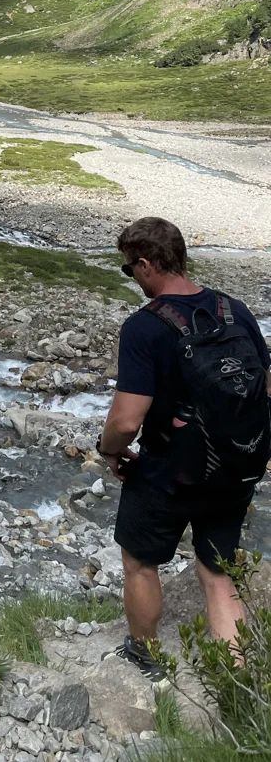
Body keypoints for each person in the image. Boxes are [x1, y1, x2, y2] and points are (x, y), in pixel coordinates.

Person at [98, 216, 271, 679]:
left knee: (139, 561)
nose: (132, 278)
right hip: (236, 465)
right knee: (218, 572)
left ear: (146, 264)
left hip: (169, 471)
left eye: (129, 269)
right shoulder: (234, 310)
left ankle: (144, 653)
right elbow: (265, 384)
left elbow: (126, 420)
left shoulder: (145, 327)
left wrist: (109, 450)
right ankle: (235, 680)